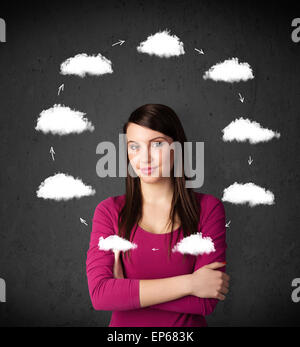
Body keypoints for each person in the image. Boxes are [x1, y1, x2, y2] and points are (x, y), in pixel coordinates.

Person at [86, 104, 230, 327]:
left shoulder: (208, 209)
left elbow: (206, 302)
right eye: (134, 146)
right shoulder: (109, 212)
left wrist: (126, 292)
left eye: (158, 144)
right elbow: (100, 295)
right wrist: (191, 284)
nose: (145, 158)